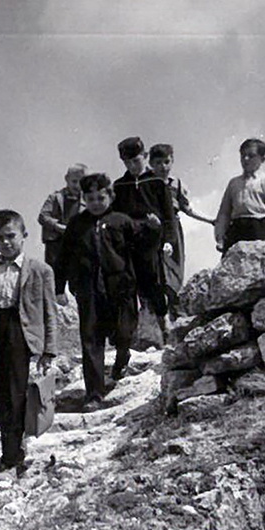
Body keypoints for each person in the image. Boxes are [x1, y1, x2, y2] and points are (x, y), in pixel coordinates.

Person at [0, 210, 57, 479]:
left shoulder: (40, 270)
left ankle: (11, 459)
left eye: (10, 236)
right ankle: (14, 434)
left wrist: (49, 350)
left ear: (24, 235)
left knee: (13, 396)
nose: (5, 242)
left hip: (19, 333)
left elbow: (50, 312)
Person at [61, 173, 161, 410]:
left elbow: (142, 247)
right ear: (84, 199)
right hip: (88, 288)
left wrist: (154, 230)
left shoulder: (122, 221)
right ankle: (94, 395)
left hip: (121, 286)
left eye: (100, 197)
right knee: (91, 338)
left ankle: (122, 356)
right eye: (90, 198)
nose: (96, 203)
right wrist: (59, 287)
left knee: (124, 332)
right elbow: (64, 256)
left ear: (110, 196)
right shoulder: (77, 225)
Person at [111, 136, 172, 343]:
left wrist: (168, 239)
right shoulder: (120, 185)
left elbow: (168, 215)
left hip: (151, 240)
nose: (132, 166)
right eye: (127, 162)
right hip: (128, 242)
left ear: (145, 156)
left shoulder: (157, 182)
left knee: (154, 281)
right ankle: (132, 335)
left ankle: (164, 325)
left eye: (136, 161)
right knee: (128, 284)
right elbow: (115, 215)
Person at [214, 137, 265, 253]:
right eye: (243, 155)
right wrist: (220, 236)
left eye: (251, 156)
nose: (246, 159)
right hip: (237, 230)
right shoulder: (234, 183)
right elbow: (224, 212)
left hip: (259, 229)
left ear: (262, 159)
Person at [148, 142, 193, 319]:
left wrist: (210, 220)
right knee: (158, 271)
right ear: (151, 163)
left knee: (175, 269)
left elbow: (187, 208)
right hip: (153, 229)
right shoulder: (147, 183)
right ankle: (158, 314)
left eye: (166, 162)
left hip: (173, 229)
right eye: (158, 163)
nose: (163, 167)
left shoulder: (176, 184)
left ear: (172, 161)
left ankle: (175, 310)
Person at [37, 163, 85, 301]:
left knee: (77, 273)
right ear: (66, 179)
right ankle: (54, 299)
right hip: (56, 241)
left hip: (76, 243)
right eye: (74, 181)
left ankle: (76, 298)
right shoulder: (55, 197)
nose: (77, 185)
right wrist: (57, 226)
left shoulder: (86, 201)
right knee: (54, 272)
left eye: (81, 182)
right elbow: (43, 216)